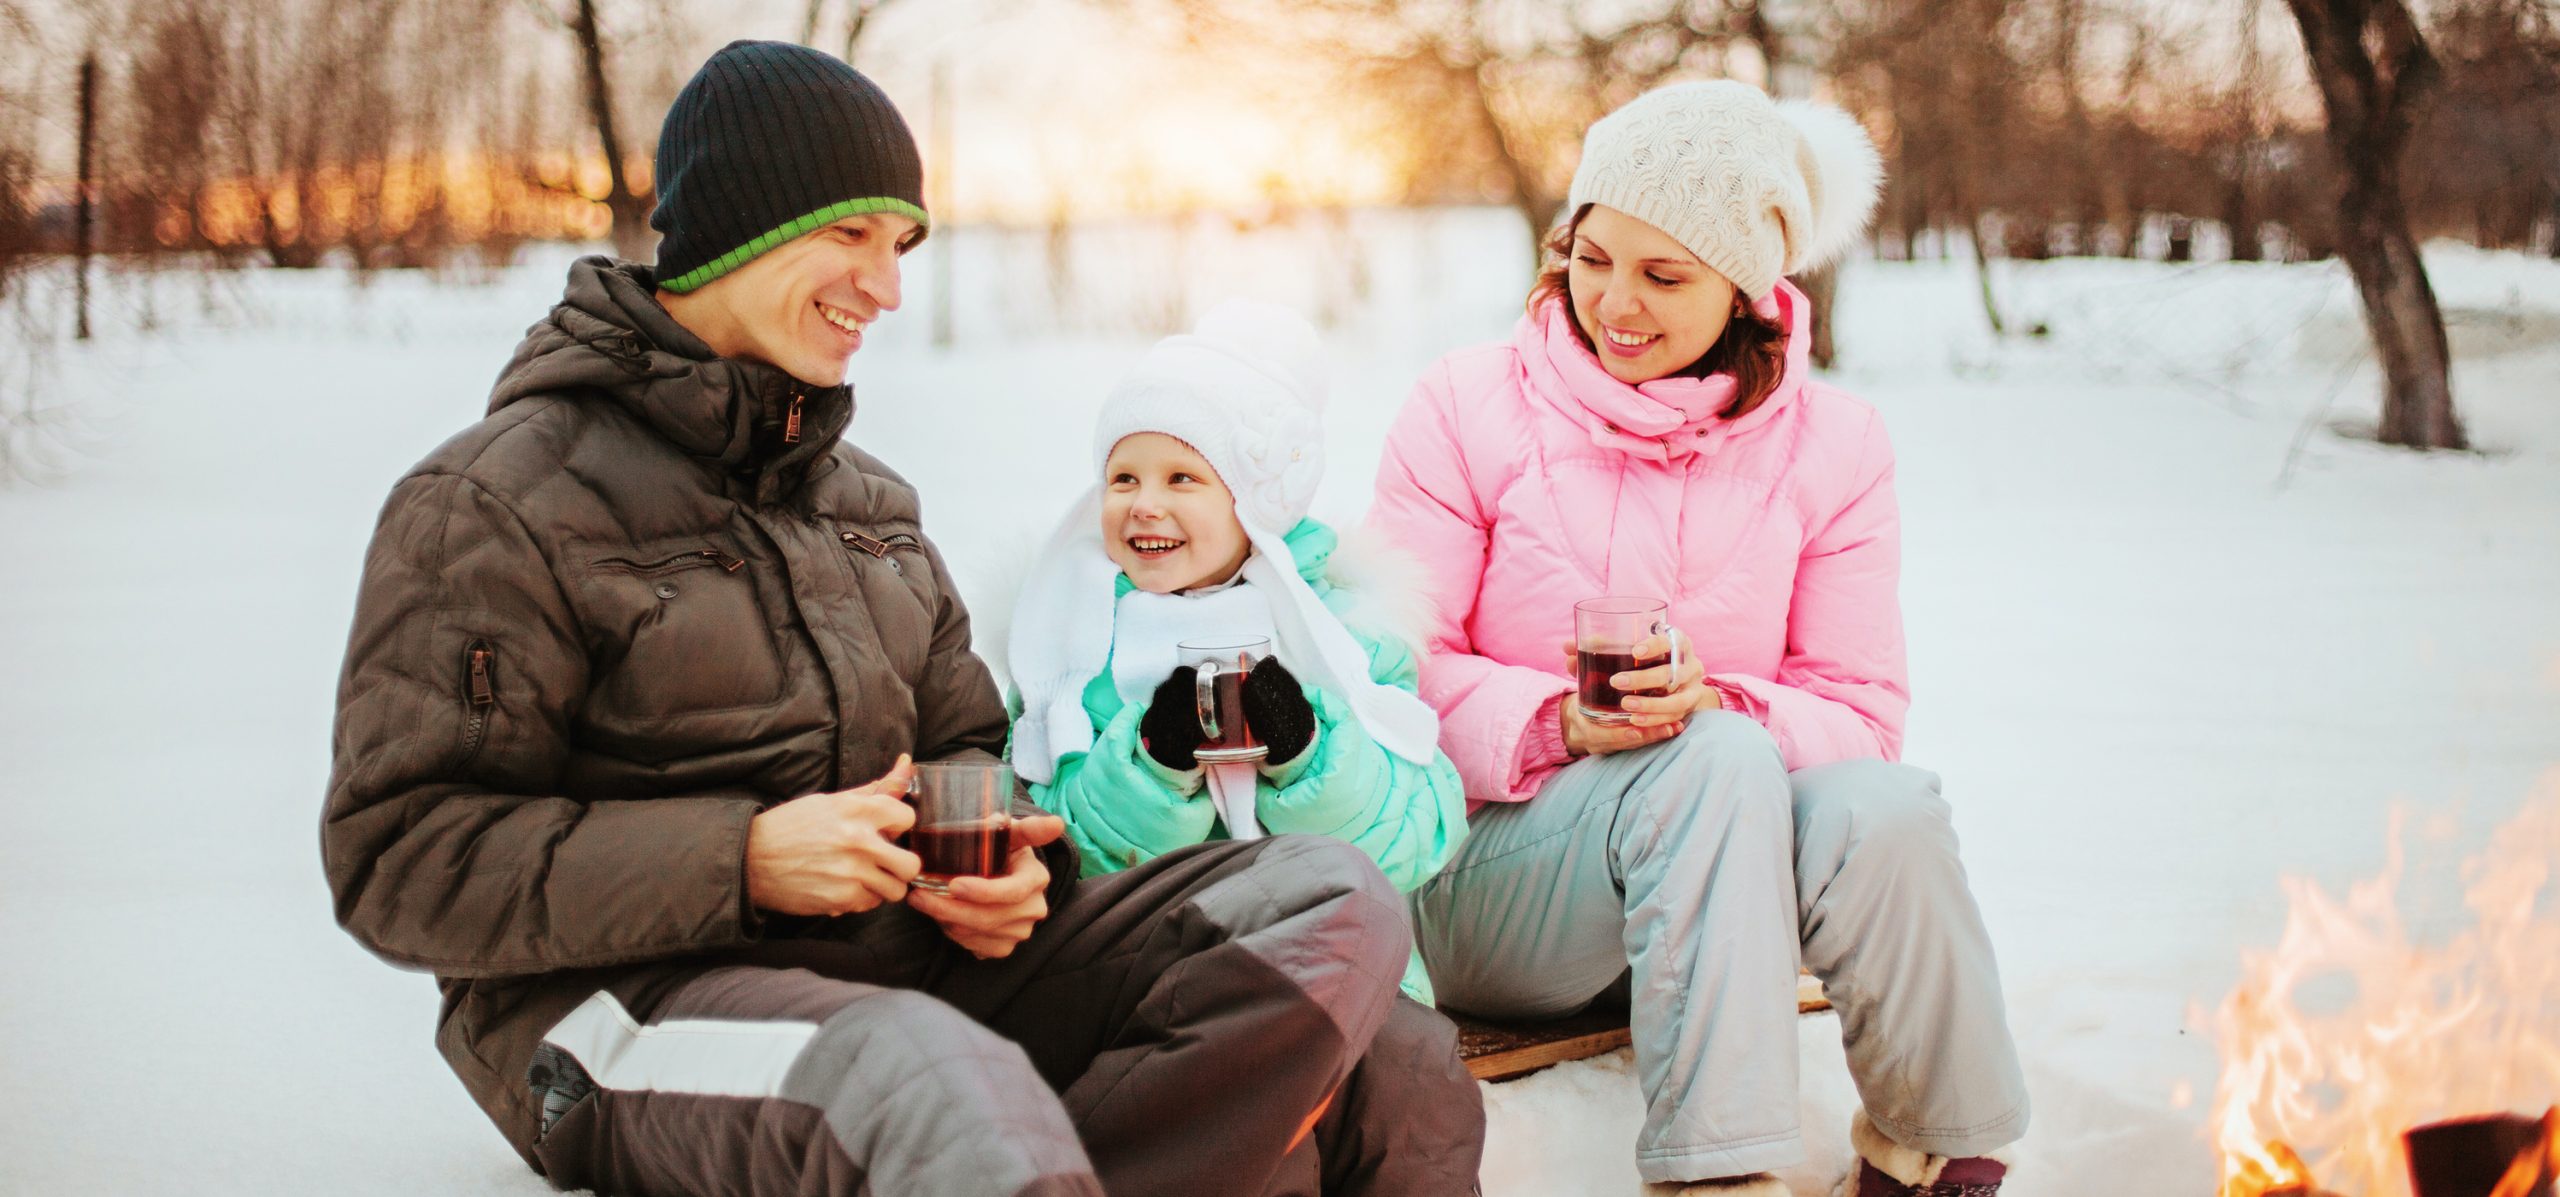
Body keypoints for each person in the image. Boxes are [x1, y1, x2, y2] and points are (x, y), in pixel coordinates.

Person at [322, 40, 1462, 1197]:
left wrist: (1011, 869)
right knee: (930, 1081)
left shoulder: (866, 503)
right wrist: (747, 859)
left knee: (1335, 917)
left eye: (901, 246)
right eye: (853, 236)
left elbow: (968, 750)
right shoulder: (494, 501)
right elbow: (399, 862)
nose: (888, 286)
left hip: (909, 975)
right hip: (622, 1011)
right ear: (740, 224)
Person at [1364, 80, 2032, 1197]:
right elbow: (1382, 677)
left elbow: (1862, 715)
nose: (1612, 303)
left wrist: (1723, 703)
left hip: (1718, 892)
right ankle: (1721, 1181)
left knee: (1890, 806)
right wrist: (1554, 720)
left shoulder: (1837, 445)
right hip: (1489, 879)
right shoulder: (1463, 407)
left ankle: (1934, 1160)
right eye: (1591, 257)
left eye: (1663, 274)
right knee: (1709, 761)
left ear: (1747, 287)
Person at [1006, 299, 1475, 1009]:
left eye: (1182, 478)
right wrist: (1152, 771)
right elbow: (1052, 855)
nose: (1142, 504)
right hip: (1145, 985)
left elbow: (1416, 838)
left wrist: (1306, 756)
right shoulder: (1068, 651)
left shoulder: (1340, 631)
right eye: (1123, 477)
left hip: (1339, 980)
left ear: (1254, 505)